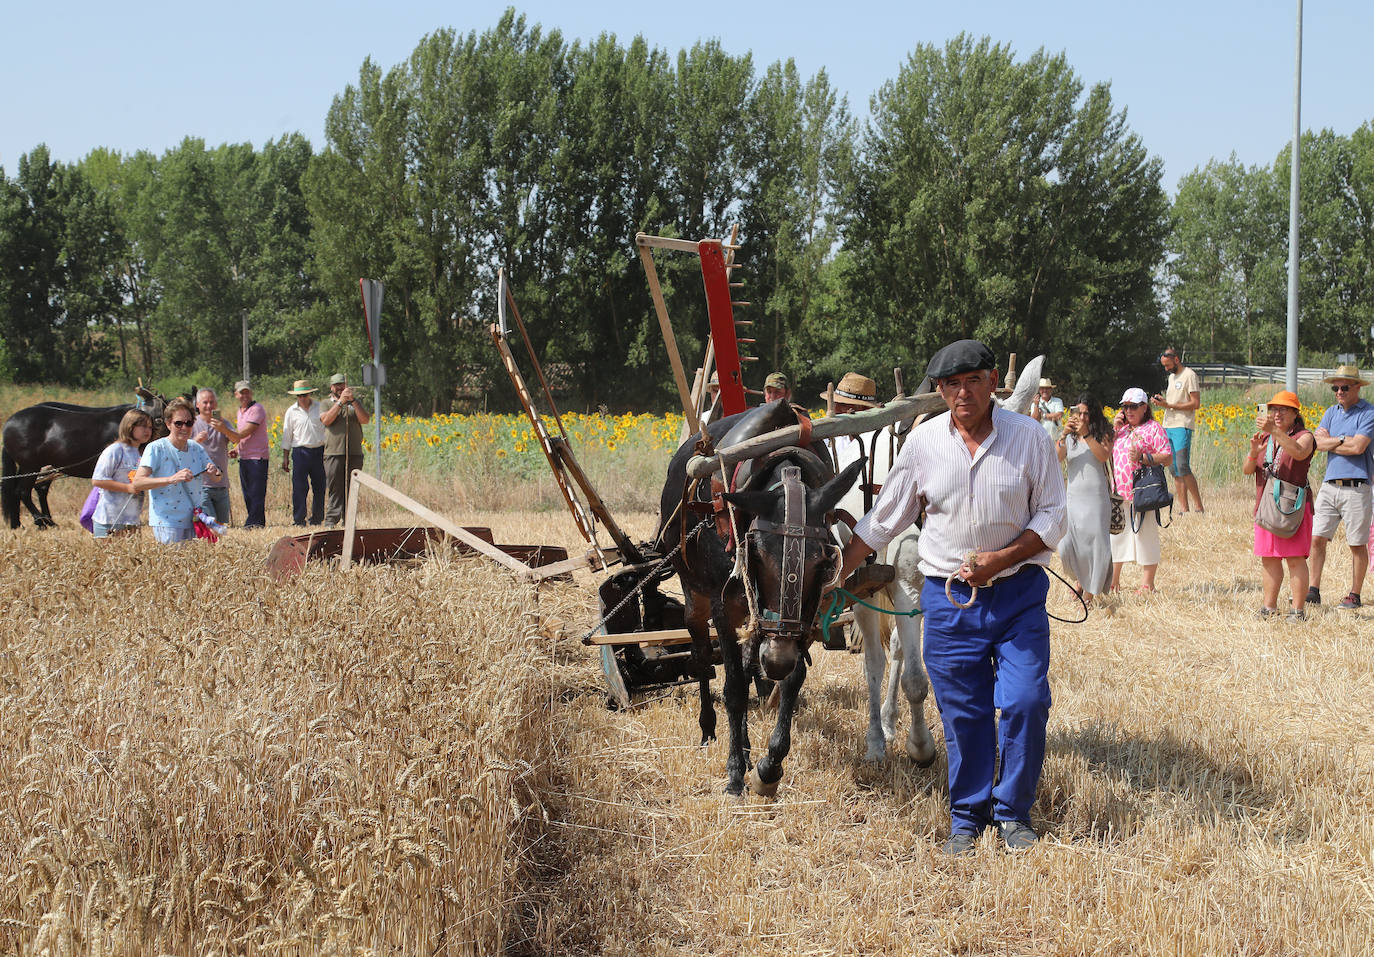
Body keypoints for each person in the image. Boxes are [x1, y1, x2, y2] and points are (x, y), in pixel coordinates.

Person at [837, 340, 1067, 855]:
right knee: (963, 711)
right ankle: (967, 815)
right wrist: (837, 570)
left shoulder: (1028, 437)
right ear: (939, 391)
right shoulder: (923, 445)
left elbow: (1053, 515)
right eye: (951, 385)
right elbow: (886, 517)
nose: (963, 393)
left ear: (991, 382)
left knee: (1025, 700)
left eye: (973, 381)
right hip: (948, 598)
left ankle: (1013, 813)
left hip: (1017, 595)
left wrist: (1000, 559)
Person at [1242, 390, 1315, 620]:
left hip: (1292, 508)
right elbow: (1247, 469)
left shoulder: (1305, 436)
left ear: (1295, 413)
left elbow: (1299, 453)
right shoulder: (1265, 438)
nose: (1277, 413)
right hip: (1266, 506)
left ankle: (1297, 611)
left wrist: (1273, 430)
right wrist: (1254, 452)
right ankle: (1269, 607)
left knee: (1294, 559)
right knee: (1269, 558)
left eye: (1283, 409)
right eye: (1274, 409)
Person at [1307, 364, 1374, 610]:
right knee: (1317, 538)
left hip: (1358, 487)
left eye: (1344, 387)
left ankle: (1354, 595)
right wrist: (1345, 439)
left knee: (1357, 544)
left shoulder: (1369, 413)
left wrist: (1332, 441)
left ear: (1357, 387)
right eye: (1335, 387)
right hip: (1329, 485)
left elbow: (1359, 448)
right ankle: (1313, 590)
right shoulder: (1330, 413)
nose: (1339, 391)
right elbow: (1316, 442)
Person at [132, 397, 222, 544]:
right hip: (167, 523)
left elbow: (217, 477)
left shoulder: (196, 448)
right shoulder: (156, 448)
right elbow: (137, 483)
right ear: (168, 424)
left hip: (195, 520)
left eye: (189, 423)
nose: (184, 428)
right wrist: (171, 479)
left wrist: (214, 472)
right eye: (178, 423)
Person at [1109, 387, 1173, 594]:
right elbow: (1103, 451)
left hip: (1143, 490)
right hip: (1118, 491)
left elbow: (1168, 457)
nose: (1129, 411)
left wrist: (1144, 458)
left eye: (1134, 406)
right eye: (1125, 407)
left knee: (1146, 536)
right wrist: (1113, 428)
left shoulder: (1154, 428)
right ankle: (1113, 580)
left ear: (1144, 407)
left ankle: (1147, 584)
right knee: (1116, 535)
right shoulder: (1120, 430)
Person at [1056, 394, 1113, 604]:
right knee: (1067, 545)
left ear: (1093, 415)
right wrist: (1063, 434)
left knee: (1095, 546)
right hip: (1073, 498)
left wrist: (1086, 434)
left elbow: (1103, 456)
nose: (1081, 417)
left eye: (1086, 413)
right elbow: (1056, 458)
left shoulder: (1102, 433)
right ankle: (1080, 579)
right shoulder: (1069, 437)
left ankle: (1089, 591)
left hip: (1096, 499)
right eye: (1078, 413)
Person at [206, 380, 269, 527]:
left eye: (247, 392)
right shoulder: (240, 411)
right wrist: (237, 449)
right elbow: (243, 438)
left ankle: (254, 523)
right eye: (241, 392)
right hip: (245, 457)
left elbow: (245, 432)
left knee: (256, 492)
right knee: (248, 493)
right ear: (236, 395)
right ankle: (254, 522)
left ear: (251, 392)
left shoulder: (257, 409)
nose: (244, 395)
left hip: (257, 457)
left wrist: (224, 430)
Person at [1152, 348, 1205, 514]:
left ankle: (1199, 507)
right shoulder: (1171, 377)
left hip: (1183, 425)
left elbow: (1195, 403)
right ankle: (1184, 509)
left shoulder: (1190, 375)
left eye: (1168, 365)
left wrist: (1169, 405)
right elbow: (1173, 401)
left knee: (1183, 466)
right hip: (1168, 425)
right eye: (1164, 366)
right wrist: (1164, 402)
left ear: (1176, 359)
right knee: (1174, 468)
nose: (1166, 368)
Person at [89, 408, 153, 538]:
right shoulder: (115, 450)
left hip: (132, 520)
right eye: (143, 426)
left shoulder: (141, 453)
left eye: (150, 427)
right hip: (110, 520)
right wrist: (128, 488)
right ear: (129, 426)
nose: (147, 431)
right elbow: (98, 480)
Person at [321, 373, 370, 526]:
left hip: (354, 453)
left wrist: (353, 401)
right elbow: (327, 420)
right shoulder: (325, 403)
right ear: (331, 387)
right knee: (335, 488)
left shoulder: (355, 403)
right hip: (334, 453)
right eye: (337, 385)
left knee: (352, 489)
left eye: (342, 385)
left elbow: (365, 419)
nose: (340, 387)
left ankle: (349, 521)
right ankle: (331, 521)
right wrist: (341, 402)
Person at [280, 379, 327, 526]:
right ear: (296, 397)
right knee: (300, 488)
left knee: (320, 486)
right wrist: (285, 457)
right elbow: (287, 436)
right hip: (300, 452)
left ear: (310, 394)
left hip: (319, 450)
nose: (302, 398)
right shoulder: (291, 411)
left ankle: (317, 518)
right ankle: (299, 519)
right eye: (300, 395)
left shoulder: (320, 408)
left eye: (305, 394)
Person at [191, 388, 231, 525]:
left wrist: (223, 430)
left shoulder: (223, 423)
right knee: (210, 525)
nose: (209, 406)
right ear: (197, 405)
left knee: (222, 526)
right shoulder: (191, 424)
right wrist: (195, 440)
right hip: (202, 485)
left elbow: (237, 439)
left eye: (212, 402)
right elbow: (181, 448)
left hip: (222, 484)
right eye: (205, 402)